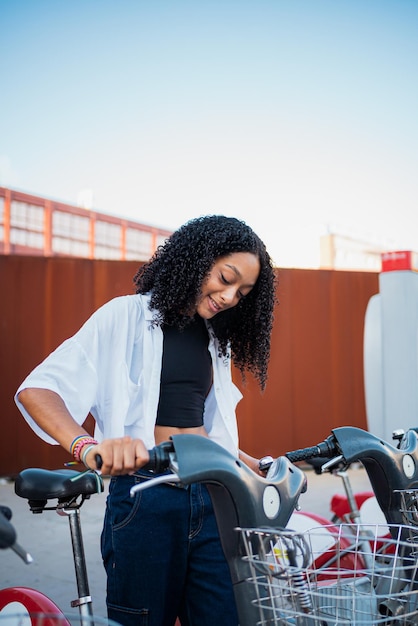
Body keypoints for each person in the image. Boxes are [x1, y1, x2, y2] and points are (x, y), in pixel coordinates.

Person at [15, 214, 277, 626]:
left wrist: (249, 463)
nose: (229, 297)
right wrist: (88, 448)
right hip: (147, 497)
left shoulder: (213, 341)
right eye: (225, 278)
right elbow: (38, 390)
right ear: (196, 260)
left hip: (214, 496)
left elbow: (201, 429)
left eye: (242, 292)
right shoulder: (125, 317)